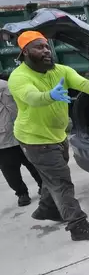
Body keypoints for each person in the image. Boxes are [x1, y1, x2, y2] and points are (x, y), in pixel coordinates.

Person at [7, 31, 89, 241]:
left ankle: (47, 209)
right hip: (35, 139)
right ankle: (78, 226)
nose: (45, 51)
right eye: (39, 47)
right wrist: (49, 96)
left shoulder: (61, 70)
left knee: (52, 177)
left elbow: (85, 86)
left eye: (46, 46)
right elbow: (32, 97)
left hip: (57, 135)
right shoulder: (19, 77)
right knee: (61, 181)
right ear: (25, 52)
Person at [0, 77, 42, 206]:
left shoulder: (11, 85)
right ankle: (22, 193)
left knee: (35, 164)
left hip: (24, 134)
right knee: (10, 171)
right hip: (3, 142)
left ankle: (43, 186)